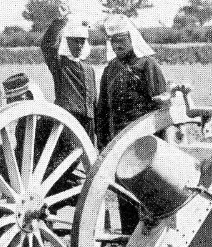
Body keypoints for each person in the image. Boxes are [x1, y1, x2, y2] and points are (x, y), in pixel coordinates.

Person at [97, 14, 167, 234]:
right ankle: (128, 236)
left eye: (122, 40)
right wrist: (103, 141)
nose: (117, 45)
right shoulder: (110, 70)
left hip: (144, 141)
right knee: (124, 191)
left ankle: (152, 236)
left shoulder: (148, 65)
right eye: (113, 41)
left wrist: (162, 144)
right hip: (118, 140)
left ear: (132, 39)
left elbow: (161, 108)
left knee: (148, 189)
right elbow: (102, 109)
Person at [40, 16, 98, 143]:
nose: (78, 45)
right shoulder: (60, 64)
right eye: (74, 41)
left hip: (88, 123)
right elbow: (47, 45)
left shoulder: (89, 69)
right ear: (66, 42)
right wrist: (61, 20)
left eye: (82, 41)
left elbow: (94, 101)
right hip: (67, 121)